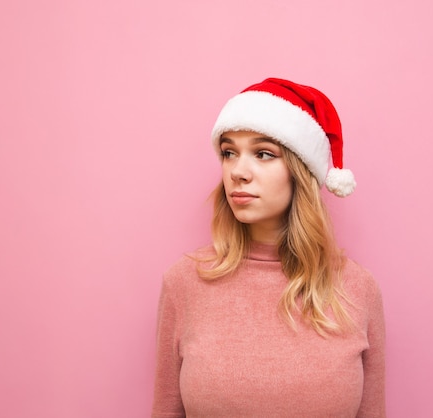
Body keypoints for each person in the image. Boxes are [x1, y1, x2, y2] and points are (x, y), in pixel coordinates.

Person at [152, 78, 386, 418]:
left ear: (301, 171)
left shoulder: (357, 289)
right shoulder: (184, 283)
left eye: (263, 154)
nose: (238, 172)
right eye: (229, 153)